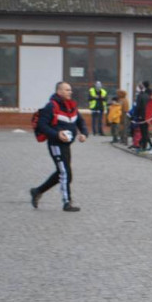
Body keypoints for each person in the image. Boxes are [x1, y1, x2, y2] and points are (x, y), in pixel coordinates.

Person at [30, 81, 88, 212]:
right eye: (67, 90)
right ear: (59, 91)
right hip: (55, 144)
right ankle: (67, 202)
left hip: (66, 145)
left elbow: (80, 121)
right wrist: (56, 134)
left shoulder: (71, 106)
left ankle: (37, 191)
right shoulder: (51, 106)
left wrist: (84, 133)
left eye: (70, 90)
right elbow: (42, 125)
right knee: (64, 173)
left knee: (64, 173)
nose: (70, 92)